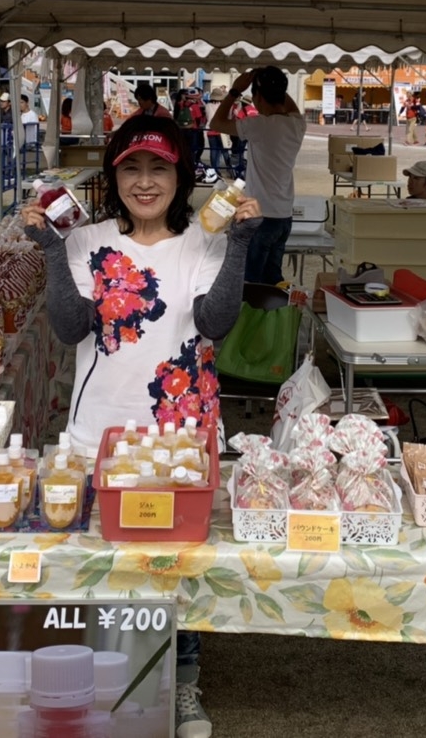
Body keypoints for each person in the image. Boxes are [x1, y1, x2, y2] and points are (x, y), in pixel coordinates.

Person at [22, 116, 259, 738]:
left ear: (181, 177)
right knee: (102, 565)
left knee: (178, 566)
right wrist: (51, 250)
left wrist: (238, 245)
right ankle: (106, 685)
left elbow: (213, 324)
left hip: (181, 435)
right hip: (99, 430)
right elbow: (71, 328)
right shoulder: (85, 239)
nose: (145, 182)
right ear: (113, 175)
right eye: (131, 168)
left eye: (160, 168)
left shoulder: (205, 240)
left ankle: (182, 681)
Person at [212, 66, 306, 285]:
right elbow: (287, 103)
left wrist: (235, 91)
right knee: (272, 279)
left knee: (251, 281)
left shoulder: (259, 124)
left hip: (259, 215)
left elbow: (216, 123)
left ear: (258, 97)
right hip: (284, 216)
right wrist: (270, 80)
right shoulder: (297, 124)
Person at [205, 89, 232, 178]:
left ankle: (214, 170)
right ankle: (230, 169)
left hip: (210, 130)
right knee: (224, 151)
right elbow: (228, 117)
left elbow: (207, 117)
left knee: (213, 151)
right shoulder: (222, 106)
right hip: (221, 130)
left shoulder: (207, 105)